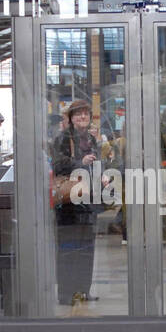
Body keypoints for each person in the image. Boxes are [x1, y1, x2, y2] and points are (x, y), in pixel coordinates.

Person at [51, 99, 111, 305]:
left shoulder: (91, 139)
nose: (83, 117)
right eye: (78, 114)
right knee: (68, 248)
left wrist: (102, 175)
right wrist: (79, 163)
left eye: (85, 113)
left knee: (87, 248)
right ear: (70, 118)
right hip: (70, 203)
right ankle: (66, 293)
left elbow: (96, 163)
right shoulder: (62, 138)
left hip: (88, 201)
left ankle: (83, 290)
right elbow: (58, 165)